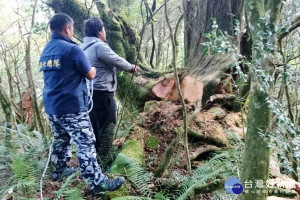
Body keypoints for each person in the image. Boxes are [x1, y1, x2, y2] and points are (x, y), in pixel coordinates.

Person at [39, 13, 124, 194]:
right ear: (68, 28)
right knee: (86, 143)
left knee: (61, 140)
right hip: (72, 106)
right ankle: (97, 182)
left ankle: (59, 171)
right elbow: (90, 74)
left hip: (53, 107)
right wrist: (92, 69)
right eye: (71, 29)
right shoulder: (72, 49)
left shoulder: (47, 50)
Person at [81, 18, 139, 163]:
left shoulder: (83, 47)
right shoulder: (99, 47)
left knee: (95, 128)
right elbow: (117, 60)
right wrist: (132, 67)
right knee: (107, 127)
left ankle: (94, 161)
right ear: (99, 32)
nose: (105, 32)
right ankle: (104, 162)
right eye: (104, 29)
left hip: (89, 94)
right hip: (102, 93)